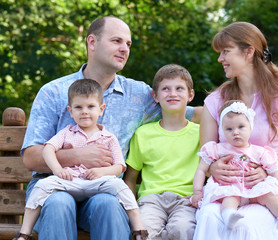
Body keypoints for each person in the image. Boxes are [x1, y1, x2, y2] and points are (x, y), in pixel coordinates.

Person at [21, 16, 201, 240]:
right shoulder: (54, 91)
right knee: (60, 203)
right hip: (55, 187)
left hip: (103, 187)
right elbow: (30, 157)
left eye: (128, 44)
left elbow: (195, 114)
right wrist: (78, 155)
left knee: (108, 204)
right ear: (92, 42)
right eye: (116, 41)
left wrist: (243, 95)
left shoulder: (139, 95)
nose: (124, 48)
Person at [193, 22, 278, 240]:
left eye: (225, 52)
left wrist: (267, 172)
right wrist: (215, 168)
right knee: (208, 216)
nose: (220, 59)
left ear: (248, 52)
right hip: (225, 193)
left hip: (265, 193)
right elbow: (206, 155)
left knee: (244, 227)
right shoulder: (215, 101)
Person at [14, 79, 148, 240]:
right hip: (69, 181)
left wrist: (102, 171)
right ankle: (23, 233)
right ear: (70, 112)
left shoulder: (108, 137)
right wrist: (57, 169)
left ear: (101, 109)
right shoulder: (67, 132)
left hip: (97, 182)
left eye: (90, 107)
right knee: (43, 188)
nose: (85, 111)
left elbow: (119, 165)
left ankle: (139, 231)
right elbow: (48, 149)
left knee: (120, 189)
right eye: (79, 107)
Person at [191, 100, 278, 237]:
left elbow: (275, 172)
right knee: (229, 198)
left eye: (241, 127)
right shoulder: (217, 149)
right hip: (231, 188)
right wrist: (197, 192)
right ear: (222, 131)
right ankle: (229, 216)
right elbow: (201, 169)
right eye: (229, 129)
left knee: (270, 196)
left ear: (250, 127)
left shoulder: (259, 152)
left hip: (255, 190)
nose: (235, 133)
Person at [123, 64, 200, 240]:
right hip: (151, 201)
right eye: (166, 89)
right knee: (143, 232)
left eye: (179, 88)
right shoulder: (143, 134)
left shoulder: (199, 134)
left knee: (184, 230)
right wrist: (132, 209)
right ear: (155, 96)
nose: (172, 93)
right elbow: (130, 179)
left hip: (186, 201)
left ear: (190, 95)